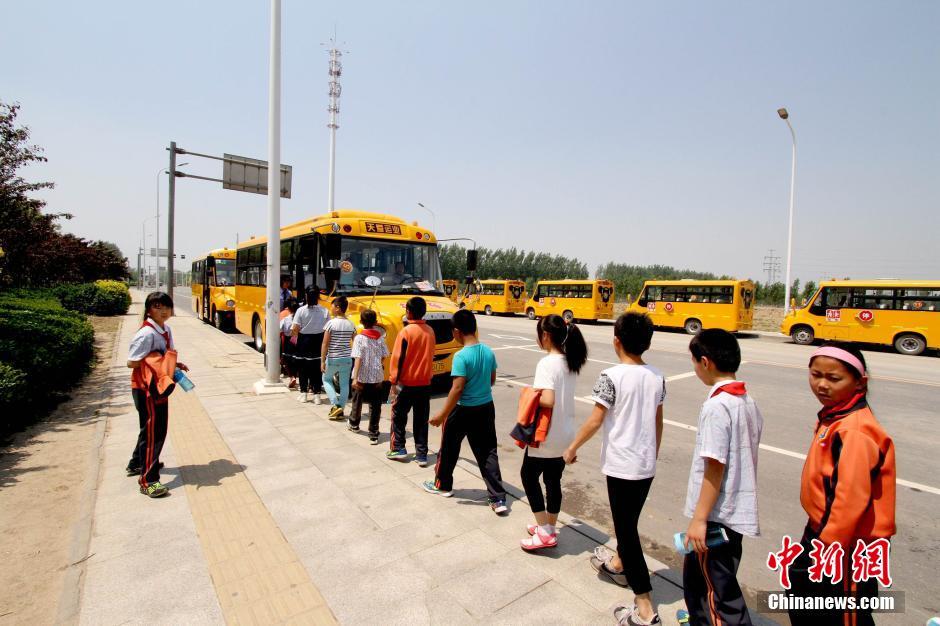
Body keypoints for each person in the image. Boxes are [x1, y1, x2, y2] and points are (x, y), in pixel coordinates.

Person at [563, 312, 665, 626]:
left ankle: (645, 607)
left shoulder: (612, 376)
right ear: (646, 343)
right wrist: (653, 454)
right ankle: (618, 565)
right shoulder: (657, 376)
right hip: (645, 464)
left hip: (623, 466)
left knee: (626, 529)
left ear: (616, 341)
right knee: (628, 521)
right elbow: (658, 422)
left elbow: (595, 419)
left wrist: (572, 447)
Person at [787, 342, 895, 626]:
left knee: (843, 615)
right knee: (802, 600)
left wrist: (827, 548)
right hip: (822, 533)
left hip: (845, 544)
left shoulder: (855, 430)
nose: (821, 384)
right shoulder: (836, 416)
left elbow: (850, 500)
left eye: (834, 378)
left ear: (860, 382)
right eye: (815, 374)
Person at [682, 329, 763, 625]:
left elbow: (714, 466)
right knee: (706, 579)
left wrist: (699, 519)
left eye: (694, 362)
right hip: (733, 512)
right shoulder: (746, 401)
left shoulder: (717, 406)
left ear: (705, 362)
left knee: (715, 592)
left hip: (716, 515)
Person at [423, 309, 508, 515]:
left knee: (450, 447)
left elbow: (457, 388)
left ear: (457, 331)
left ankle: (443, 485)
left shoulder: (461, 356)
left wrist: (442, 414)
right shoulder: (488, 351)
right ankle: (497, 498)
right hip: (486, 407)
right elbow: (492, 380)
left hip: (463, 410)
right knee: (488, 451)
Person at [519, 314, 588, 550]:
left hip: (546, 435)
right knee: (552, 481)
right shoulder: (571, 362)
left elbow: (547, 399)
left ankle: (545, 531)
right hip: (566, 433)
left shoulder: (547, 363)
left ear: (546, 336)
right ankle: (549, 524)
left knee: (528, 476)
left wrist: (529, 395)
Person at [126, 291, 189, 498]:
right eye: (157, 307)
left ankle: (137, 462)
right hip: (146, 389)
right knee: (155, 431)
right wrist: (154, 362)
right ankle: (148, 480)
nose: (163, 311)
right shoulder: (146, 334)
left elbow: (164, 355)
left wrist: (173, 364)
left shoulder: (165, 329)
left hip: (158, 386)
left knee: (150, 428)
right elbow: (132, 361)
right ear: (149, 309)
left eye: (166, 307)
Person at [387, 297, 435, 465]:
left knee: (398, 416)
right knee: (421, 420)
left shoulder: (406, 332)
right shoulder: (430, 331)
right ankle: (421, 454)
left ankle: (398, 448)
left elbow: (397, 359)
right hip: (425, 383)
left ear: (408, 312)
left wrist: (393, 382)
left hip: (405, 383)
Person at [348, 308, 389, 443]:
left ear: (361, 322)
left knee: (357, 401)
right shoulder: (380, 338)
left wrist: (355, 377)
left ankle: (354, 424)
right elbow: (384, 355)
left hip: (361, 376)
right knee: (375, 405)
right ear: (376, 322)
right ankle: (374, 433)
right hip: (377, 376)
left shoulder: (359, 338)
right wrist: (377, 365)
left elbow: (358, 358)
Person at [291, 287, 329, 404]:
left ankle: (304, 394)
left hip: (304, 340)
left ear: (306, 296)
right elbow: (328, 328)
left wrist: (297, 334)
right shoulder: (324, 311)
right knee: (317, 368)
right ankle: (317, 395)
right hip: (319, 340)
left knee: (303, 368)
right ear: (318, 296)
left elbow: (295, 328)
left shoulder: (301, 311)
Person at [321, 296, 357, 419]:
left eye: (332, 306)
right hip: (347, 359)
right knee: (344, 384)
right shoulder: (351, 324)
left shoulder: (330, 324)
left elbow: (325, 344)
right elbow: (355, 342)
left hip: (333, 358)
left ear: (337, 308)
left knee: (326, 379)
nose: (330, 308)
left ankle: (336, 405)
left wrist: (322, 361)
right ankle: (340, 410)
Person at [279, 299, 299, 389]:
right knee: (296, 360)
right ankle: (296, 376)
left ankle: (292, 377)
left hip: (288, 342)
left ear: (289, 309)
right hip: (298, 341)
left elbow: (279, 329)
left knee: (288, 360)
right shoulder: (300, 319)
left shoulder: (285, 319)